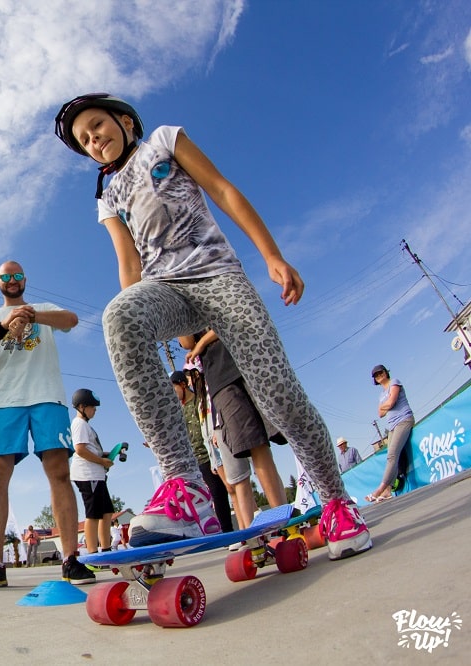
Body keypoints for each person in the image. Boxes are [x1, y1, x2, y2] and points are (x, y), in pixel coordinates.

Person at [54, 93, 371, 560]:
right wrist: (141, 319)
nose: (94, 140)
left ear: (124, 121)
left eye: (97, 126)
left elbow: (221, 190)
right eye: (85, 141)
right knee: (118, 315)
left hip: (220, 278)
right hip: (167, 290)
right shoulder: (107, 195)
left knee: (279, 395)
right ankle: (187, 488)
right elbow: (129, 262)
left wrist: (272, 255)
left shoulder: (164, 140)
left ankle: (337, 503)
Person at [0, 261, 95, 588]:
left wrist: (32, 316)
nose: (12, 280)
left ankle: (71, 559)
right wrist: (4, 326)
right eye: (5, 276)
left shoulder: (42, 309)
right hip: (3, 401)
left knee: (59, 472)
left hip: (47, 396)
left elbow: (71, 320)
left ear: (24, 280)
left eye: (17, 275)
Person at [182, 331, 286, 529]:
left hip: (245, 356)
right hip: (220, 377)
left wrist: (203, 342)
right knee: (253, 447)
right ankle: (272, 526)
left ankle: (284, 518)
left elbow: (227, 317)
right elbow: (187, 343)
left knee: (267, 442)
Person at [169, 369, 234, 532]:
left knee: (221, 492)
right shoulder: (180, 411)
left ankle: (228, 530)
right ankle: (216, 531)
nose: (173, 394)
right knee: (204, 498)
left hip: (210, 455)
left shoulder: (199, 402)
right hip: (195, 460)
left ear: (183, 385)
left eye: (174, 389)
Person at [69, 388, 115, 555]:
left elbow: (90, 449)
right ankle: (92, 553)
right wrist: (102, 461)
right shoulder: (79, 424)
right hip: (87, 475)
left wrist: (105, 455)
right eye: (92, 406)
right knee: (94, 514)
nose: (95, 410)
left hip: (96, 475)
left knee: (107, 512)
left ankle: (106, 549)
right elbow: (80, 449)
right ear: (82, 407)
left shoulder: (85, 425)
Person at [366, 365, 414, 502]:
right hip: (392, 426)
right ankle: (387, 491)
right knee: (390, 457)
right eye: (376, 375)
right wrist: (386, 405)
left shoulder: (394, 382)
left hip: (404, 420)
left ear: (386, 372)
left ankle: (379, 490)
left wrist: (385, 405)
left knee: (392, 455)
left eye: (380, 372)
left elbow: (392, 402)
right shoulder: (382, 395)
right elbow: (380, 414)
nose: (379, 375)